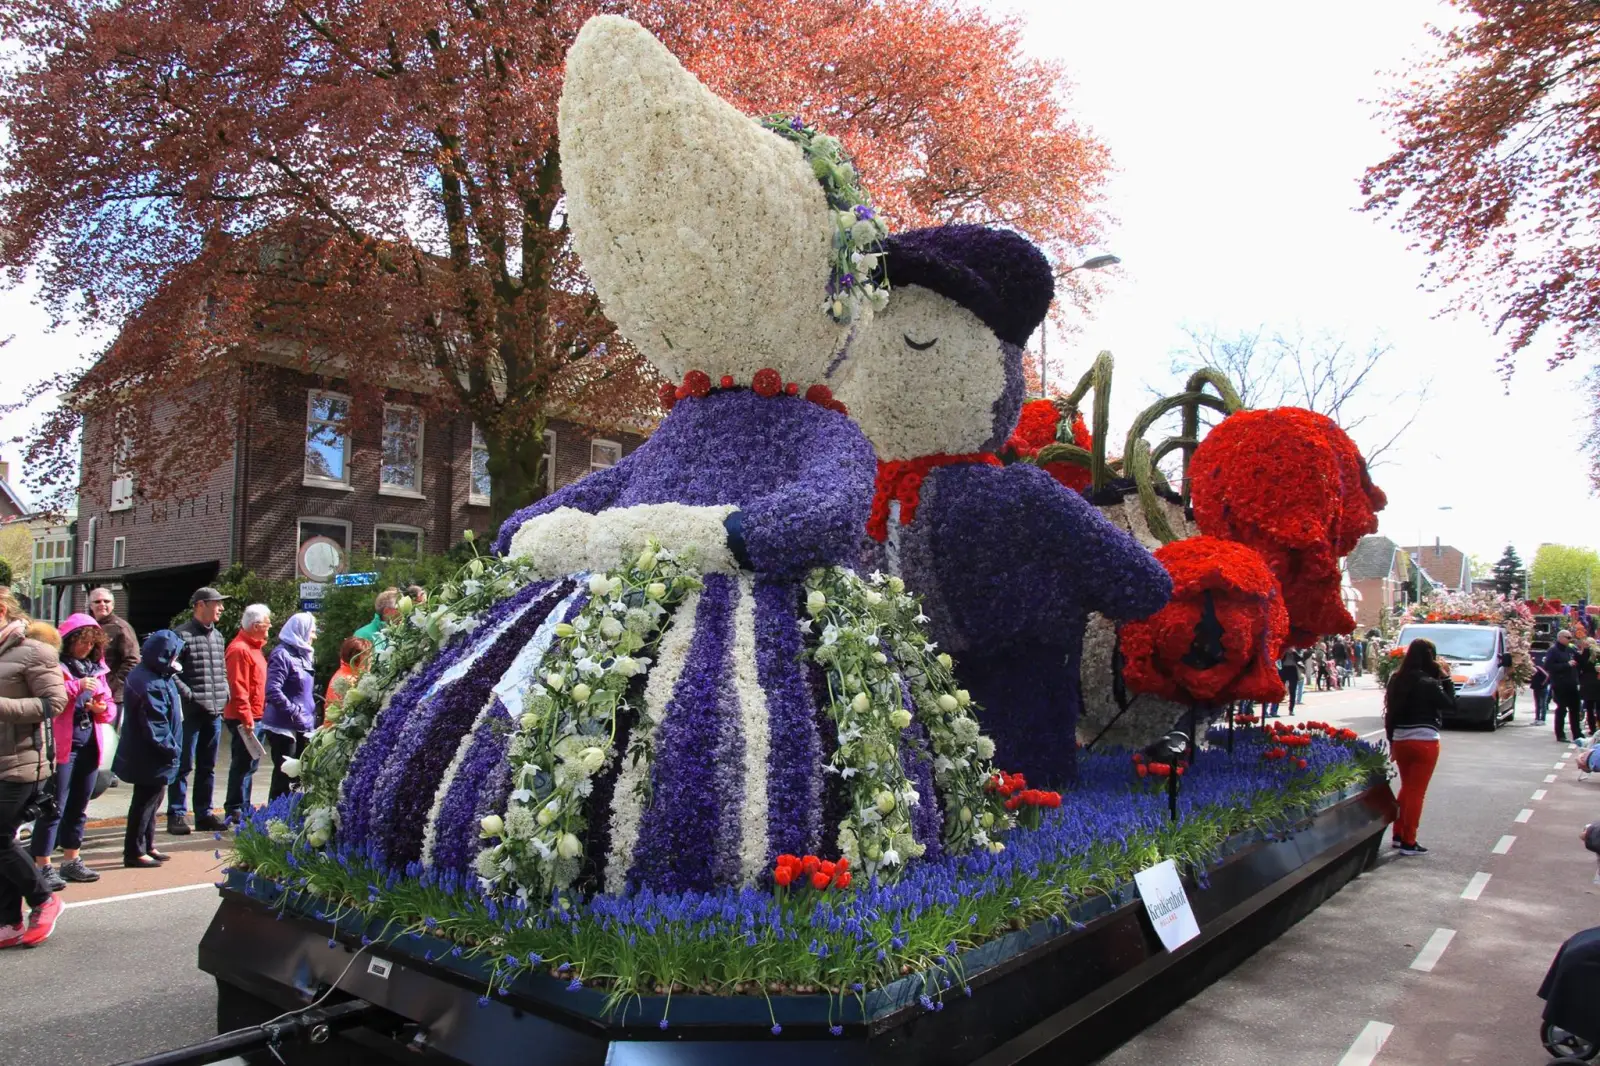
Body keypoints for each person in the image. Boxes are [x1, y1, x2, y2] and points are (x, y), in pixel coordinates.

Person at [0, 587, 67, 947]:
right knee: (3, 842)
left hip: (22, 762)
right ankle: (9, 921)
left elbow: (55, 702)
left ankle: (44, 899)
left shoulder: (35, 651)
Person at [30, 614, 115, 889]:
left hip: (90, 743)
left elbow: (109, 705)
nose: (85, 648)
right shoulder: (56, 666)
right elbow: (47, 696)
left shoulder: (96, 669)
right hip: (63, 746)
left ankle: (71, 860)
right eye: (81, 642)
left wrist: (102, 710)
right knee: (54, 806)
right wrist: (75, 687)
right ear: (68, 642)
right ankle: (42, 864)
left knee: (79, 805)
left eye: (91, 644)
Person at [112, 630, 184, 868]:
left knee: (153, 801)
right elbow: (156, 724)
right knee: (144, 802)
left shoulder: (156, 675)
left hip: (154, 754)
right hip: (149, 755)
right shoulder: (148, 681)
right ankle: (134, 851)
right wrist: (172, 750)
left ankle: (146, 844)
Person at [169, 587, 232, 835]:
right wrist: (190, 696)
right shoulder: (181, 635)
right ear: (200, 605)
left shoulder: (218, 636)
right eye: (217, 603)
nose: (221, 608)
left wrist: (224, 691)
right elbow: (171, 672)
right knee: (183, 765)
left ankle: (204, 814)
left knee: (208, 765)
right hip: (191, 712)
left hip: (214, 711)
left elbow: (222, 670)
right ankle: (176, 814)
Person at [1384, 637, 1454, 856]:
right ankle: (1409, 840)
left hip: (1401, 739)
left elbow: (1390, 712)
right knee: (1417, 792)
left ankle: (1397, 834)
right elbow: (1451, 705)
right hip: (1425, 740)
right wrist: (1447, 679)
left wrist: (1392, 741)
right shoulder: (1429, 682)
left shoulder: (1396, 679)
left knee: (1407, 787)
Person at [222, 604, 270, 825]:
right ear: (256, 625)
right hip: (244, 717)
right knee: (242, 763)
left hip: (255, 714)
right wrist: (246, 716)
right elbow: (238, 686)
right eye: (267, 624)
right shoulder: (240, 649)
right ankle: (235, 808)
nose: (269, 628)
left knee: (250, 764)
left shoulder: (253, 647)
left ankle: (243, 805)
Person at [261, 612, 316, 801]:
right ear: (301, 631)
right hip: (284, 726)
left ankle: (290, 818)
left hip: (302, 724)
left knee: (297, 777)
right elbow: (273, 690)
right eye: (312, 631)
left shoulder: (304, 654)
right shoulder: (282, 654)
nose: (314, 636)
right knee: (284, 778)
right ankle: (275, 818)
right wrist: (294, 711)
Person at [85, 587, 139, 704]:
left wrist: (112, 685)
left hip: (112, 696)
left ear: (113, 605)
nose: (102, 604)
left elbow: (132, 660)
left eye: (106, 601)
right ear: (91, 606)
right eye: (97, 601)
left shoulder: (121, 628)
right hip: (90, 691)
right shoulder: (87, 626)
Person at [323, 636, 371, 726]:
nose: (370, 658)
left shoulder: (347, 672)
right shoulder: (348, 679)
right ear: (356, 656)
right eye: (367, 654)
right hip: (337, 728)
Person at [1547, 629, 1584, 742]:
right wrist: (1566, 665)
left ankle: (1577, 734)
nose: (1570, 640)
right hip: (1560, 685)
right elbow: (1549, 666)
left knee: (1575, 709)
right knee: (1562, 709)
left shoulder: (1570, 649)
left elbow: (1581, 661)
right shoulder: (1553, 650)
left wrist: (1585, 651)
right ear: (1560, 637)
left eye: (1570, 637)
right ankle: (1560, 734)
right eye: (1567, 637)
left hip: (1572, 684)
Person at [1583, 637, 1600, 736]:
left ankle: (1593, 729)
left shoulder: (1584, 654)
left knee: (1589, 709)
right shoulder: (1598, 654)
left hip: (1588, 685)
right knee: (1597, 708)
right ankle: (1597, 728)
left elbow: (1581, 667)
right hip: (1596, 683)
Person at [1532, 650, 1551, 724]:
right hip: (1536, 687)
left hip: (1542, 688)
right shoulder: (1536, 668)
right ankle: (1537, 718)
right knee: (1537, 703)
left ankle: (1542, 719)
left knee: (1543, 703)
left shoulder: (1540, 667)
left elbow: (1547, 675)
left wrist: (1543, 683)